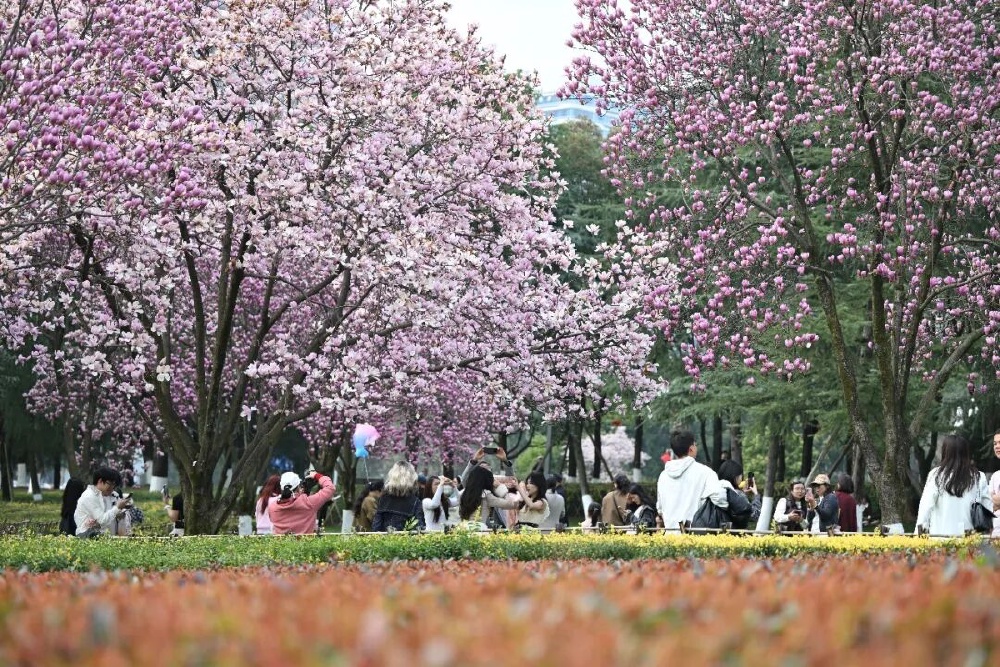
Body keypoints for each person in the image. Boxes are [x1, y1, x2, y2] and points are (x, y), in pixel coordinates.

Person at [916, 434, 991, 536]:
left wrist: (918, 535)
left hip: (940, 539)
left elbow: (925, 507)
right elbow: (988, 508)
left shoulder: (936, 475)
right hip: (970, 540)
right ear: (966, 452)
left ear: (945, 452)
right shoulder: (978, 477)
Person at [656, 430, 728, 529]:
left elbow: (660, 509)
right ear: (691, 449)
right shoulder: (705, 472)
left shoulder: (663, 476)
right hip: (696, 537)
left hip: (670, 538)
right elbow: (721, 499)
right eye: (695, 444)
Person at [270, 469, 336, 535]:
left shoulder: (273, 507)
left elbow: (292, 501)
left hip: (281, 545)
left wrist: (304, 492)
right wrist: (317, 475)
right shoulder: (309, 503)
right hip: (306, 544)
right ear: (298, 487)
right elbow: (330, 488)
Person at [74, 467, 132, 537]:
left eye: (114, 485)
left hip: (107, 538)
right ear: (100, 481)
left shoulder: (111, 495)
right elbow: (102, 520)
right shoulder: (89, 496)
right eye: (110, 484)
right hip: (89, 538)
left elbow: (111, 515)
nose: (112, 488)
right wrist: (117, 508)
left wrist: (121, 512)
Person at [457, 465, 522, 528]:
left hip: (464, 528)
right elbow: (511, 504)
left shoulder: (463, 494)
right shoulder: (485, 496)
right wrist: (500, 486)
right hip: (479, 530)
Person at [372, 461, 425, 531]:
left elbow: (376, 528)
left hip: (384, 540)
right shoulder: (415, 502)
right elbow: (419, 529)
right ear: (412, 477)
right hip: (406, 541)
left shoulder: (383, 499)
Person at [717, 460, 760, 530]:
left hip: (717, 533)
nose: (741, 477)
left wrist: (743, 492)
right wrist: (756, 495)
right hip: (736, 535)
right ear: (734, 476)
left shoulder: (717, 490)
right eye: (740, 474)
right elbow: (756, 515)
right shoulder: (738, 495)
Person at [990, 429, 1000, 538]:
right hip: (996, 534)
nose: (997, 446)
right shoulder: (995, 476)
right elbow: (991, 504)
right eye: (995, 443)